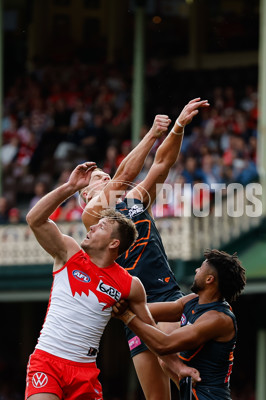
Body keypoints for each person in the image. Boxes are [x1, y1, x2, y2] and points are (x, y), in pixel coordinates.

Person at [24, 161, 197, 400]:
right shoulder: (68, 253)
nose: (91, 228)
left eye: (101, 226)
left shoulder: (129, 284)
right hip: (48, 361)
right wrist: (70, 186)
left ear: (114, 243)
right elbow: (34, 219)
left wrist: (177, 367)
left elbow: (149, 331)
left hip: (85, 372)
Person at [81, 98, 209, 399]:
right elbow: (123, 177)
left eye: (104, 175)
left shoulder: (135, 200)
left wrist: (177, 127)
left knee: (185, 380)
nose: (105, 178)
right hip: (133, 311)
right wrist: (152, 133)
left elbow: (162, 164)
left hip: (164, 297)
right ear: (85, 194)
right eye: (98, 178)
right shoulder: (92, 215)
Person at [113, 249, 247, 400]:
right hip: (191, 394)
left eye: (201, 267)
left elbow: (163, 345)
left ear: (209, 279)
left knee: (165, 351)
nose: (196, 270)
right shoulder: (192, 300)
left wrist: (126, 316)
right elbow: (146, 311)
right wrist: (117, 300)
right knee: (166, 358)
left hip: (210, 397)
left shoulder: (218, 319)